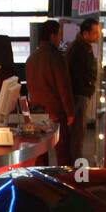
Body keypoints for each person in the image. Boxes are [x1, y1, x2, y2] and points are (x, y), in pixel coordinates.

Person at [24, 20, 75, 165]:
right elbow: (63, 87)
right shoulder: (56, 57)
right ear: (52, 35)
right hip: (56, 112)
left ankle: (41, 183)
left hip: (37, 112)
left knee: (40, 153)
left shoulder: (31, 58)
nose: (60, 39)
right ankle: (65, 182)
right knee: (63, 152)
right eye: (59, 35)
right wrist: (70, 112)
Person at [66, 18, 100, 164]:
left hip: (81, 93)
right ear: (85, 34)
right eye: (95, 33)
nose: (98, 35)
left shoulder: (81, 47)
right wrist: (88, 87)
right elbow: (78, 74)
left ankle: (75, 164)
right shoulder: (79, 49)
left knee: (79, 132)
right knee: (78, 132)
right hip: (79, 94)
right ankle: (77, 167)